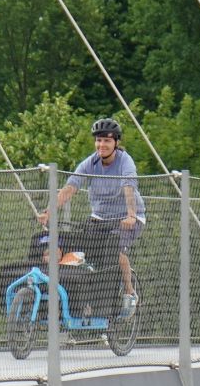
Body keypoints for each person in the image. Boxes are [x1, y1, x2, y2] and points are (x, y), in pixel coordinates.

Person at [38, 117, 143, 314]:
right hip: (99, 217)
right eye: (99, 140)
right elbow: (70, 187)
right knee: (81, 252)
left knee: (117, 250)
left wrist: (131, 215)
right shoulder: (90, 162)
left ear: (116, 143)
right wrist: (48, 212)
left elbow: (129, 187)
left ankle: (129, 293)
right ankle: (86, 299)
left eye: (107, 140)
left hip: (127, 218)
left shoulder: (125, 162)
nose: (101, 145)